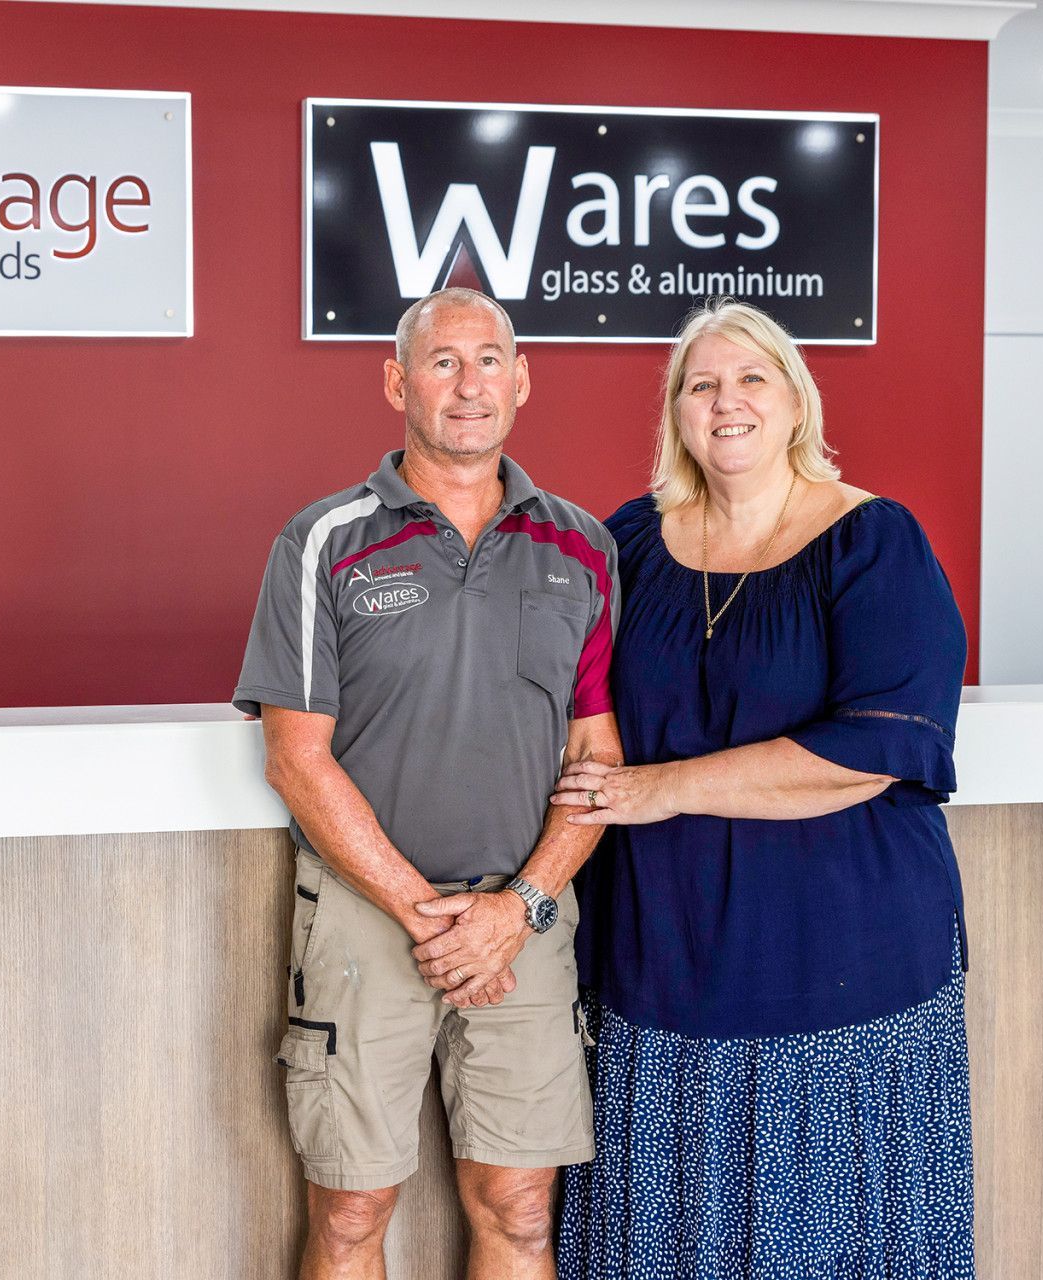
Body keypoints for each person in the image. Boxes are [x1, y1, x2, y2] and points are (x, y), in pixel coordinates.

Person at [553, 299, 974, 1278]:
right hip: (662, 958)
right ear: (676, 412)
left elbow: (871, 750)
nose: (725, 400)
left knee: (830, 1241)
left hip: (842, 964)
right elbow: (545, 678)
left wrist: (659, 789)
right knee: (661, 1240)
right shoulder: (629, 542)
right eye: (701, 383)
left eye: (751, 377)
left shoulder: (873, 540)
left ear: (795, 402)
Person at [234, 287, 624, 1280]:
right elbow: (296, 756)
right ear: (397, 381)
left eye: (489, 359)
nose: (468, 384)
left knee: (522, 1210)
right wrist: (436, 920)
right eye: (443, 361)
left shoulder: (584, 547)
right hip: (368, 915)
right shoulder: (324, 540)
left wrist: (516, 907)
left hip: (522, 920)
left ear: (523, 379)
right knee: (353, 1211)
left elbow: (597, 756)